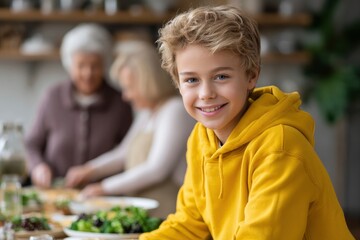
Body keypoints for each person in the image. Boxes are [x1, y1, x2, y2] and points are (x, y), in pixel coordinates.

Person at [140, 5, 354, 240]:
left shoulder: (280, 148)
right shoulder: (202, 139)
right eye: (191, 79)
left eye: (221, 76)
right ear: (177, 83)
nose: (206, 93)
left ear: (251, 75)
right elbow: (188, 224)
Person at [65, 40, 195, 218]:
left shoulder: (174, 110)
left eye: (129, 87)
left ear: (147, 82)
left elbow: (156, 169)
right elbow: (123, 153)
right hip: (147, 217)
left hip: (169, 216)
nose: (126, 96)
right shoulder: (148, 113)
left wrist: (104, 188)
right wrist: (89, 170)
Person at [25, 24, 133, 188]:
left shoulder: (121, 102)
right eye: (81, 65)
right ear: (69, 65)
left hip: (101, 197)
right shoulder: (52, 97)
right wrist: (38, 167)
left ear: (105, 64)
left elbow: (128, 151)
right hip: (55, 193)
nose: (88, 73)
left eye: (95, 66)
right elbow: (32, 144)